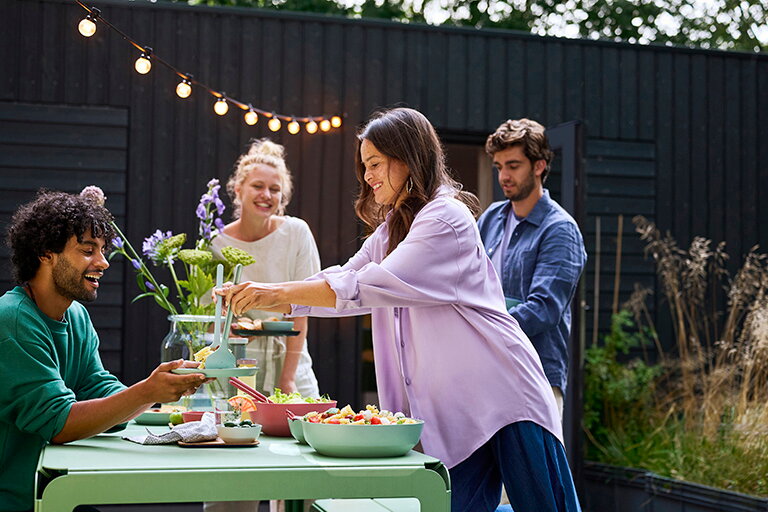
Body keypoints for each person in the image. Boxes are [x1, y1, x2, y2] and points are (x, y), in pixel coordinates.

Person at [217, 108, 582, 512]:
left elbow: (367, 286)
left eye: (374, 164)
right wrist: (270, 295)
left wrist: (272, 293)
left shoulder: (446, 219)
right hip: (457, 411)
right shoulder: (393, 227)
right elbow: (347, 274)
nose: (367, 176)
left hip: (506, 396)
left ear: (407, 158)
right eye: (365, 166)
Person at [0, 190, 207, 512]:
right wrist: (146, 393)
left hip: (53, 488)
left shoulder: (76, 315)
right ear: (45, 253)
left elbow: (97, 386)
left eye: (102, 250)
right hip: (18, 498)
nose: (103, 262)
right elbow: (58, 424)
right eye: (87, 250)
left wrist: (162, 395)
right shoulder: (12, 320)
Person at [477, 118, 586, 418]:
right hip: (487, 374)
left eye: (513, 165)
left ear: (538, 166)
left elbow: (544, 308)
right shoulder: (490, 219)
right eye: (499, 167)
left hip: (534, 375)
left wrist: (481, 331)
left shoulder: (560, 229)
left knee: (535, 466)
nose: (504, 176)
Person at [210, 138, 321, 398]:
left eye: (274, 189)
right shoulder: (216, 243)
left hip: (292, 367)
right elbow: (210, 316)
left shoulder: (297, 233)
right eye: (258, 186)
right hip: (236, 371)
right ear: (238, 189)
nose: (266, 195)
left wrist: (288, 379)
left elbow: (303, 308)